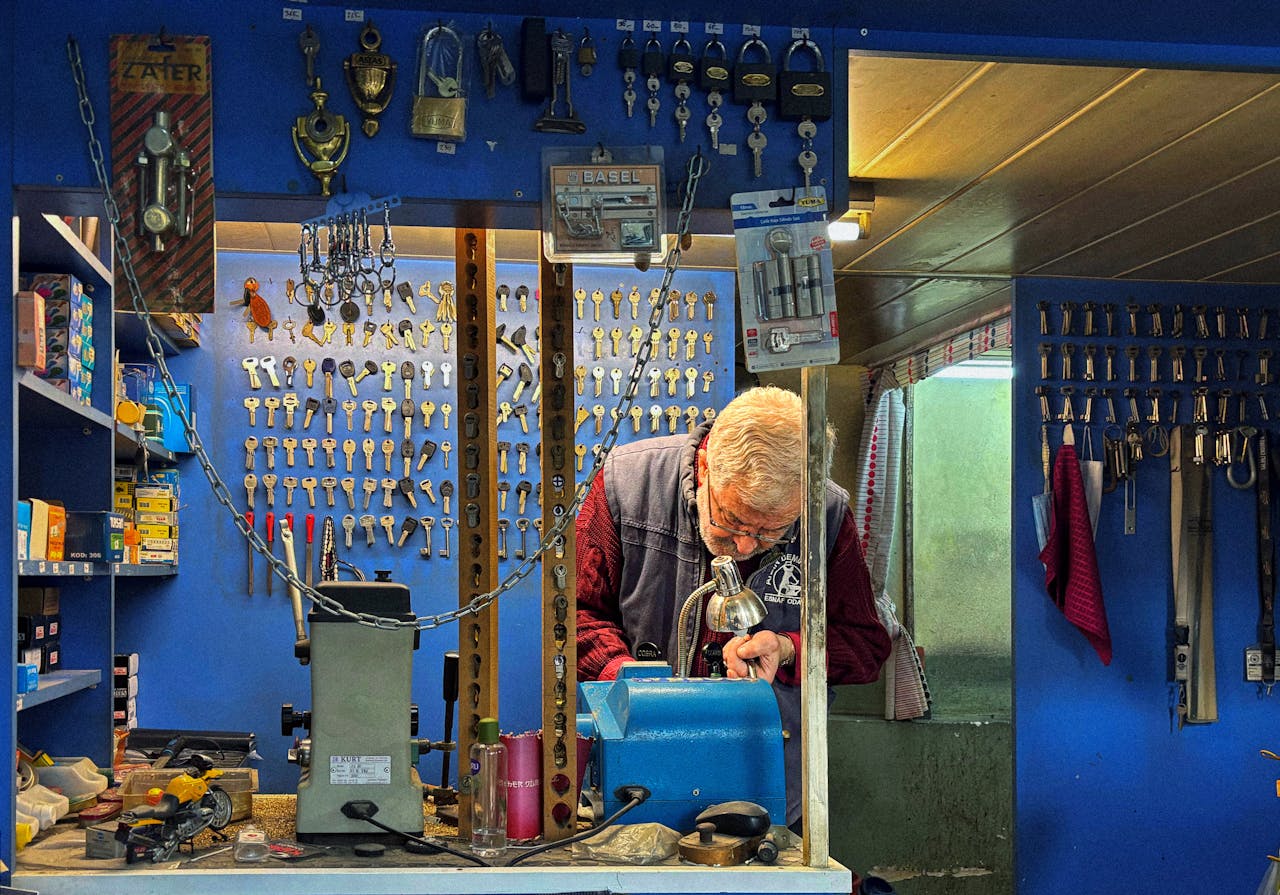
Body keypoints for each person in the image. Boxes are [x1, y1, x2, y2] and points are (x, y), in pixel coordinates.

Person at [575, 385, 891, 826]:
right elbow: (572, 617)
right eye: (733, 520)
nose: (744, 546)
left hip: (765, 790)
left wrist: (787, 649)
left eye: (772, 531)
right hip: (635, 778)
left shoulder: (827, 514)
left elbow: (865, 646)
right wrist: (636, 685)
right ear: (705, 467)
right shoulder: (627, 486)